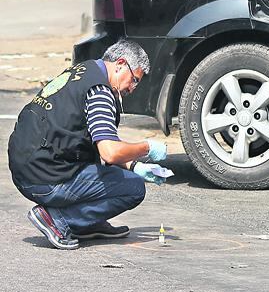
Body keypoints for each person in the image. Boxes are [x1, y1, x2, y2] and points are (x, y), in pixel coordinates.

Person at [7, 40, 169, 249]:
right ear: (120, 64)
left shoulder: (82, 71)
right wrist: (147, 147)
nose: (133, 87)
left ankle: (87, 224)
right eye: (134, 79)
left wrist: (135, 166)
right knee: (134, 188)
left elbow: (100, 143)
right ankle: (59, 220)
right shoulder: (100, 92)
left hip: (27, 168)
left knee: (99, 160)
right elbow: (109, 152)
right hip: (45, 179)